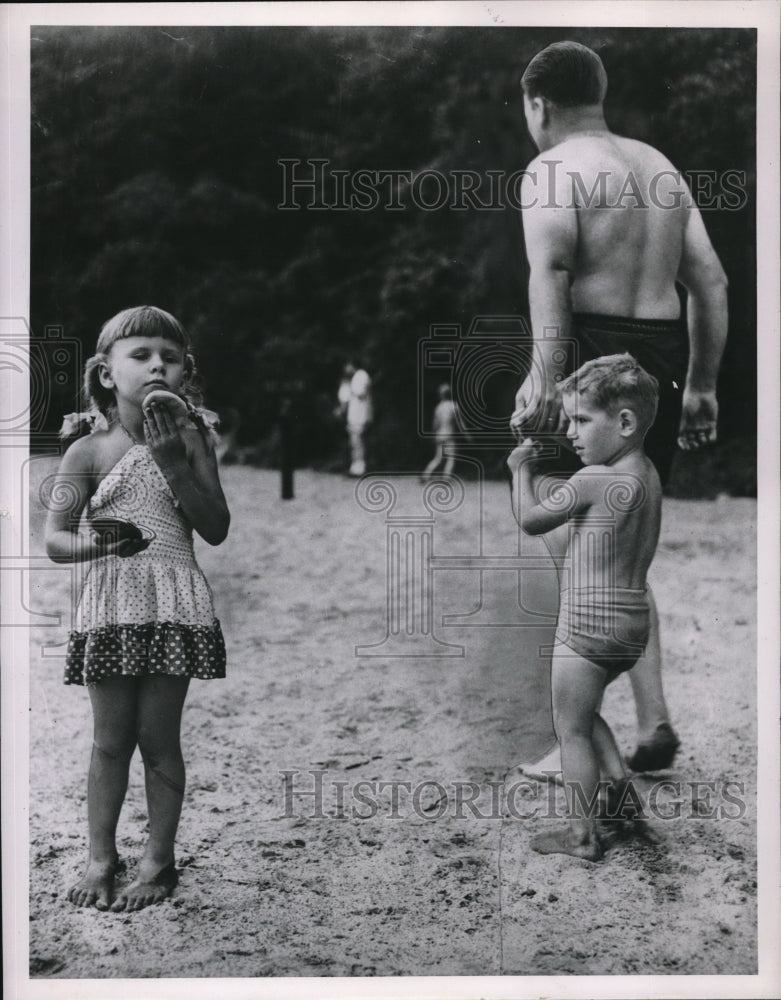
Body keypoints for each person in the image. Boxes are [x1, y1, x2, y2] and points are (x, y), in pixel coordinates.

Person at [510, 41, 728, 777]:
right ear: (597, 93)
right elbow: (712, 283)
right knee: (623, 550)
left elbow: (555, 268)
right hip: (659, 359)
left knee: (576, 550)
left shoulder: (551, 169)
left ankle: (580, 736)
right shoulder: (657, 165)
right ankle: (654, 720)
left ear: (537, 103)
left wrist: (545, 369)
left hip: (588, 354)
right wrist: (700, 384)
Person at [45, 305, 230, 912]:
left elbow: (216, 526)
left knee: (160, 741)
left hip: (172, 603)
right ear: (105, 373)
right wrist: (94, 542)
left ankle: (158, 859)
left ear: (186, 372)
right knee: (108, 741)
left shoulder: (195, 439)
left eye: (169, 357)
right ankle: (101, 855)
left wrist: (176, 464)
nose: (156, 365)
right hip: (110, 606)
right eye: (141, 355)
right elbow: (55, 538)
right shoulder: (87, 452)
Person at [508, 355, 662, 859]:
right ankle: (622, 802)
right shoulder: (648, 474)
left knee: (570, 727)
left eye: (581, 421)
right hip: (631, 627)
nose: (572, 433)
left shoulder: (593, 478)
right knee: (584, 708)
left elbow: (531, 521)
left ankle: (580, 835)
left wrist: (520, 469)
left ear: (623, 422)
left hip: (586, 628)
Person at [336, 360, 373, 476]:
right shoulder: (354, 379)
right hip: (354, 415)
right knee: (354, 442)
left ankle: (360, 467)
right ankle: (355, 466)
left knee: (357, 442)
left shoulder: (361, 375)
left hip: (359, 415)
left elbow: (360, 393)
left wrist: (348, 388)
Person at [421, 383, 463, 480]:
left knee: (438, 458)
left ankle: (426, 474)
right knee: (451, 458)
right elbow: (460, 422)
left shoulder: (438, 407)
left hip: (440, 435)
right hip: (449, 434)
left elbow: (435, 424)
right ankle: (446, 477)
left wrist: (434, 435)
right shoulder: (454, 406)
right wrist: (466, 434)